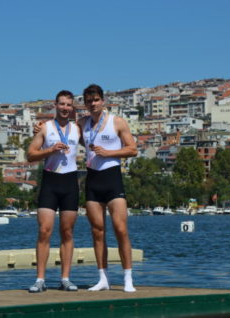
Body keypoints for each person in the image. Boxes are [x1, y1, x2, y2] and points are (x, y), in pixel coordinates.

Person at [78, 84, 137, 292]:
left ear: (102, 101)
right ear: (85, 104)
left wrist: (108, 153)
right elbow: (64, 134)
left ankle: (128, 277)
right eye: (88, 101)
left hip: (112, 179)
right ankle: (103, 278)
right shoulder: (82, 123)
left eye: (95, 100)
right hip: (92, 180)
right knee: (97, 232)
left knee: (120, 229)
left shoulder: (117, 122)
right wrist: (41, 128)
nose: (92, 104)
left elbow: (133, 149)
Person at [26, 90, 80, 293]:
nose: (65, 108)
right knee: (44, 231)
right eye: (62, 104)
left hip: (70, 182)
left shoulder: (78, 128)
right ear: (55, 105)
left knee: (67, 232)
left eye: (69, 105)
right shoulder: (45, 128)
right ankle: (40, 279)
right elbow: (30, 154)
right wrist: (50, 150)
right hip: (50, 181)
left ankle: (65, 279)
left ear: (72, 107)